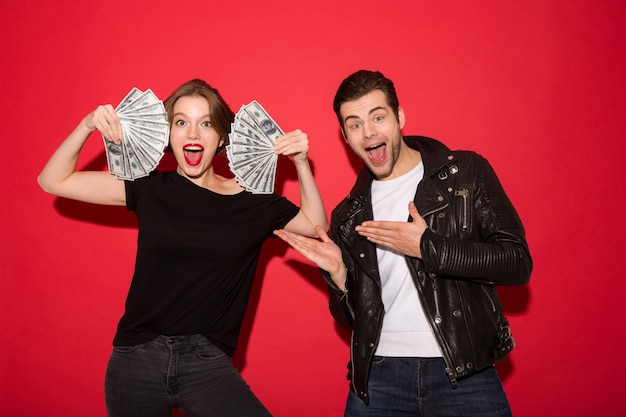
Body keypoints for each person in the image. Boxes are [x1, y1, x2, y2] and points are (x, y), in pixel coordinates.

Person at [37, 78, 328, 417]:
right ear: (168, 135)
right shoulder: (149, 188)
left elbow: (315, 226)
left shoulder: (254, 203)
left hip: (206, 363)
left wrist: (302, 164)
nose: (193, 134)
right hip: (136, 360)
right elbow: (52, 180)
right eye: (181, 122)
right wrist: (87, 125)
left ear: (221, 137)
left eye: (206, 123)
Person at [274, 70, 532, 417]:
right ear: (345, 136)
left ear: (400, 118)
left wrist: (429, 247)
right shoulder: (349, 215)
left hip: (463, 372)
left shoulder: (466, 172)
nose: (368, 132)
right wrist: (338, 276)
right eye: (354, 124)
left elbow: (516, 263)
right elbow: (355, 320)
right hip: (380, 377)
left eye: (378, 117)